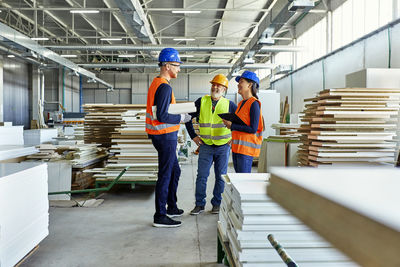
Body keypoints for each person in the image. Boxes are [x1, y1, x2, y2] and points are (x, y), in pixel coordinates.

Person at [145, 48, 192, 228]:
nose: (179, 69)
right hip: (164, 136)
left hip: (161, 135)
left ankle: (171, 206)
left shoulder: (158, 84)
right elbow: (163, 116)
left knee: (175, 171)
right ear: (167, 66)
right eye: (177, 65)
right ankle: (160, 215)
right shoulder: (164, 87)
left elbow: (161, 111)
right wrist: (181, 118)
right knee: (165, 175)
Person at [185, 74, 237, 215]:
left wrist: (234, 137)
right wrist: (193, 136)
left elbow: (238, 124)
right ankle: (199, 204)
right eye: (213, 84)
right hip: (206, 146)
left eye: (218, 85)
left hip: (223, 146)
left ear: (224, 89)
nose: (215, 87)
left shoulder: (230, 105)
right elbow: (187, 118)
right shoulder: (201, 101)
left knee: (221, 176)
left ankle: (217, 204)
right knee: (202, 176)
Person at [222, 71, 264, 173]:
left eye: (241, 81)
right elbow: (241, 124)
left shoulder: (254, 103)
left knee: (243, 182)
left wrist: (232, 126)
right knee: (239, 181)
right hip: (237, 148)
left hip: (246, 151)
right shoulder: (241, 103)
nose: (238, 84)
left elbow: (252, 129)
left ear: (249, 85)